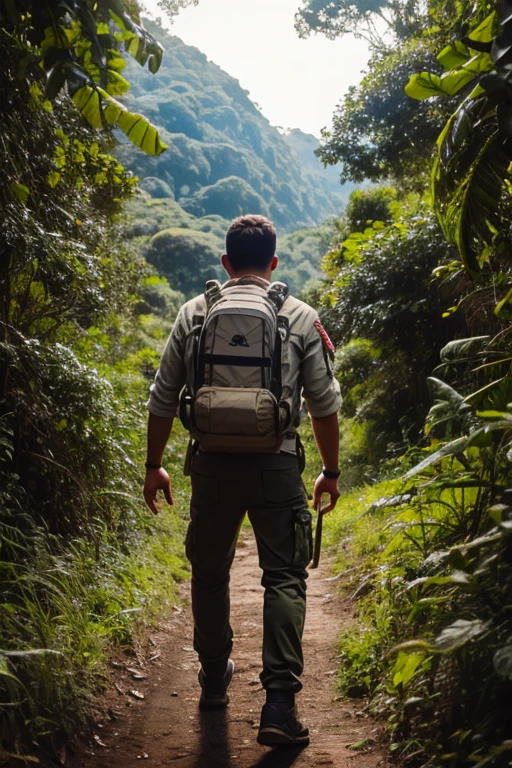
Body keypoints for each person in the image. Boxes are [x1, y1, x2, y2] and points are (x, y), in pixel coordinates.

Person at [143, 214, 341, 748]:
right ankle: (278, 704)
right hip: (277, 466)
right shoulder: (299, 316)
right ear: (274, 263)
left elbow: (163, 398)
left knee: (209, 574)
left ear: (225, 263)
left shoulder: (194, 312)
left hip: (210, 465)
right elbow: (323, 406)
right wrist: (329, 471)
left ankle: (213, 680)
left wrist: (153, 465)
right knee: (284, 577)